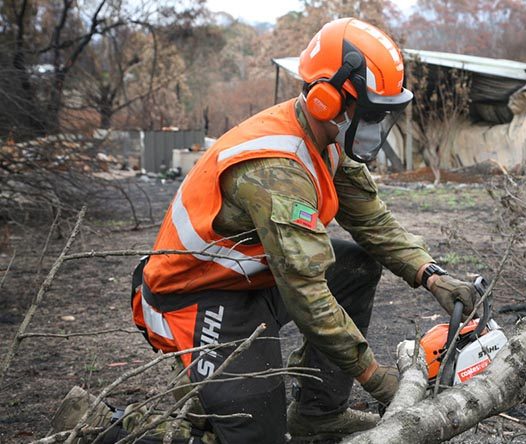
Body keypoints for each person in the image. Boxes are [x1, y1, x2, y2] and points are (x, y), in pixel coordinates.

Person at [53, 17, 480, 443]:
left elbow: (372, 220)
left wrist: (430, 273)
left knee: (354, 266)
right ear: (326, 99)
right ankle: (99, 429)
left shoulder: (329, 139)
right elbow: (307, 293)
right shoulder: (276, 169)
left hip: (250, 277)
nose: (372, 125)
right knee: (258, 439)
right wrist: (374, 376)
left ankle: (318, 414)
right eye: (367, 112)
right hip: (194, 295)